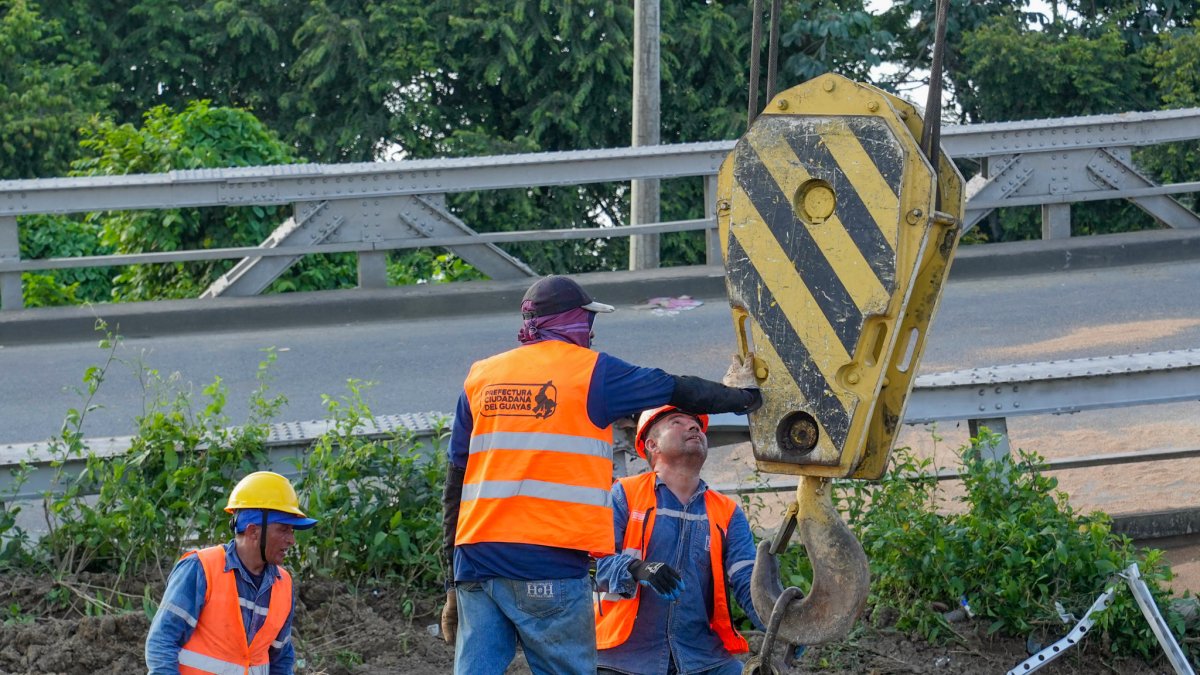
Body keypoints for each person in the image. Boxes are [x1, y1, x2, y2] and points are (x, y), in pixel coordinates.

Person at [440, 275, 761, 675]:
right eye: (588, 323)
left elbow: (455, 483)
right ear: (575, 322)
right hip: (549, 562)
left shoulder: (481, 376)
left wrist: (452, 581)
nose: (591, 334)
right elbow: (678, 389)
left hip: (476, 562)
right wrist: (744, 398)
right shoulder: (592, 373)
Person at [594, 405, 763, 675]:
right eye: (677, 422)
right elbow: (594, 564)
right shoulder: (624, 494)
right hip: (623, 658)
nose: (693, 427)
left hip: (702, 658)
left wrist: (782, 622)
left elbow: (749, 582)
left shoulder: (727, 513)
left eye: (696, 424)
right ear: (652, 444)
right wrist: (638, 568)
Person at [145, 471, 318, 675]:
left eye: (292, 531)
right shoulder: (201, 568)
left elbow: (281, 659)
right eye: (283, 530)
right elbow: (162, 642)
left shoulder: (283, 584)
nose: (291, 540)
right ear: (253, 531)